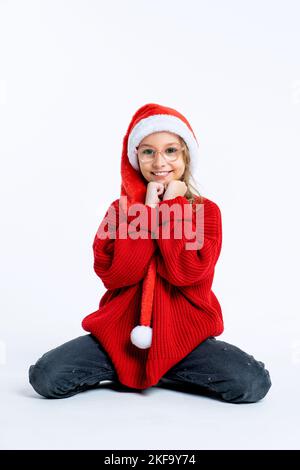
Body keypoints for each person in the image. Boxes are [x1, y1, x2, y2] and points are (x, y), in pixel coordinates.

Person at [28, 103, 272, 403]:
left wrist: (171, 207)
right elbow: (118, 275)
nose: (160, 162)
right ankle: (132, 367)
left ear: (185, 156)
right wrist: (147, 211)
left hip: (184, 340)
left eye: (171, 151)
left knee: (252, 383)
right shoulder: (119, 212)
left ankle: (163, 368)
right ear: (135, 158)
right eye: (148, 152)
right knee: (46, 377)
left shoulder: (204, 212)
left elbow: (185, 272)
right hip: (119, 337)